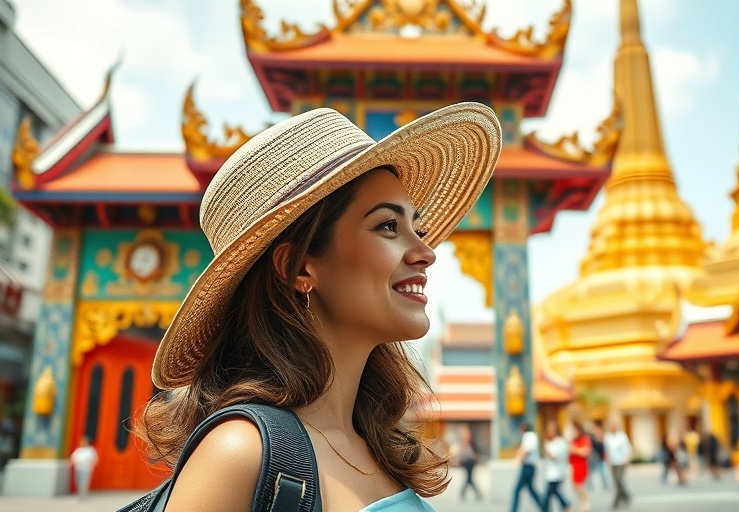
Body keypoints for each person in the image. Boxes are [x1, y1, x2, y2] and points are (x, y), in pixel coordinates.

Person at [133, 103, 501, 511]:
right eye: (387, 226)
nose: (426, 252)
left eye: (420, 228)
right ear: (299, 267)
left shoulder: (382, 444)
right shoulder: (240, 453)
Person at [542, 420, 572, 512]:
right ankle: (566, 506)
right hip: (551, 473)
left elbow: (555, 457)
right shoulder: (550, 442)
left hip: (557, 473)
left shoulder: (560, 442)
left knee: (548, 495)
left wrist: (546, 451)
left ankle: (566, 505)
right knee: (555, 492)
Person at [511, 421, 542, 512]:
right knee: (532, 491)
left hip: (528, 466)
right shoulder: (532, 436)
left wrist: (518, 460)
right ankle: (544, 507)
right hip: (529, 466)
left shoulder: (529, 436)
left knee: (517, 490)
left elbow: (526, 450)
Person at [603, 422, 632, 510]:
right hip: (612, 462)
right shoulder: (607, 437)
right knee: (616, 481)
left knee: (619, 479)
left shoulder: (622, 437)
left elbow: (627, 448)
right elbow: (606, 449)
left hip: (621, 461)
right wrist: (607, 460)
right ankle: (625, 496)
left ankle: (617, 500)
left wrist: (626, 459)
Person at [568, 421, 592, 511]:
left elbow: (586, 452)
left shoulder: (584, 439)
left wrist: (575, 450)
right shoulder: (573, 440)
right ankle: (583, 501)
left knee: (579, 485)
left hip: (581, 465)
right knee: (575, 486)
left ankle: (585, 502)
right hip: (574, 465)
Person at [456, 426, 482, 501]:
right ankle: (475, 494)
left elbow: (476, 453)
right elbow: (462, 454)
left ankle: (463, 493)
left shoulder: (472, 444)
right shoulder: (463, 444)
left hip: (471, 463)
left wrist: (476, 458)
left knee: (469, 479)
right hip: (466, 463)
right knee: (469, 479)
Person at [69, 435, 99, 500]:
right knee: (78, 481)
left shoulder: (91, 450)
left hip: (86, 469)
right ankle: (80, 493)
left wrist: (90, 465)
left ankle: (83, 494)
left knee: (84, 481)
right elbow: (73, 458)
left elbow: (95, 460)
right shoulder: (78, 450)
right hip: (78, 468)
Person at [587, 423, 610, 490]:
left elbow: (603, 448)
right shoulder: (591, 438)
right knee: (590, 473)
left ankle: (605, 485)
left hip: (599, 458)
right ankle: (590, 486)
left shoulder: (600, 437)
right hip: (593, 459)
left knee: (602, 472)